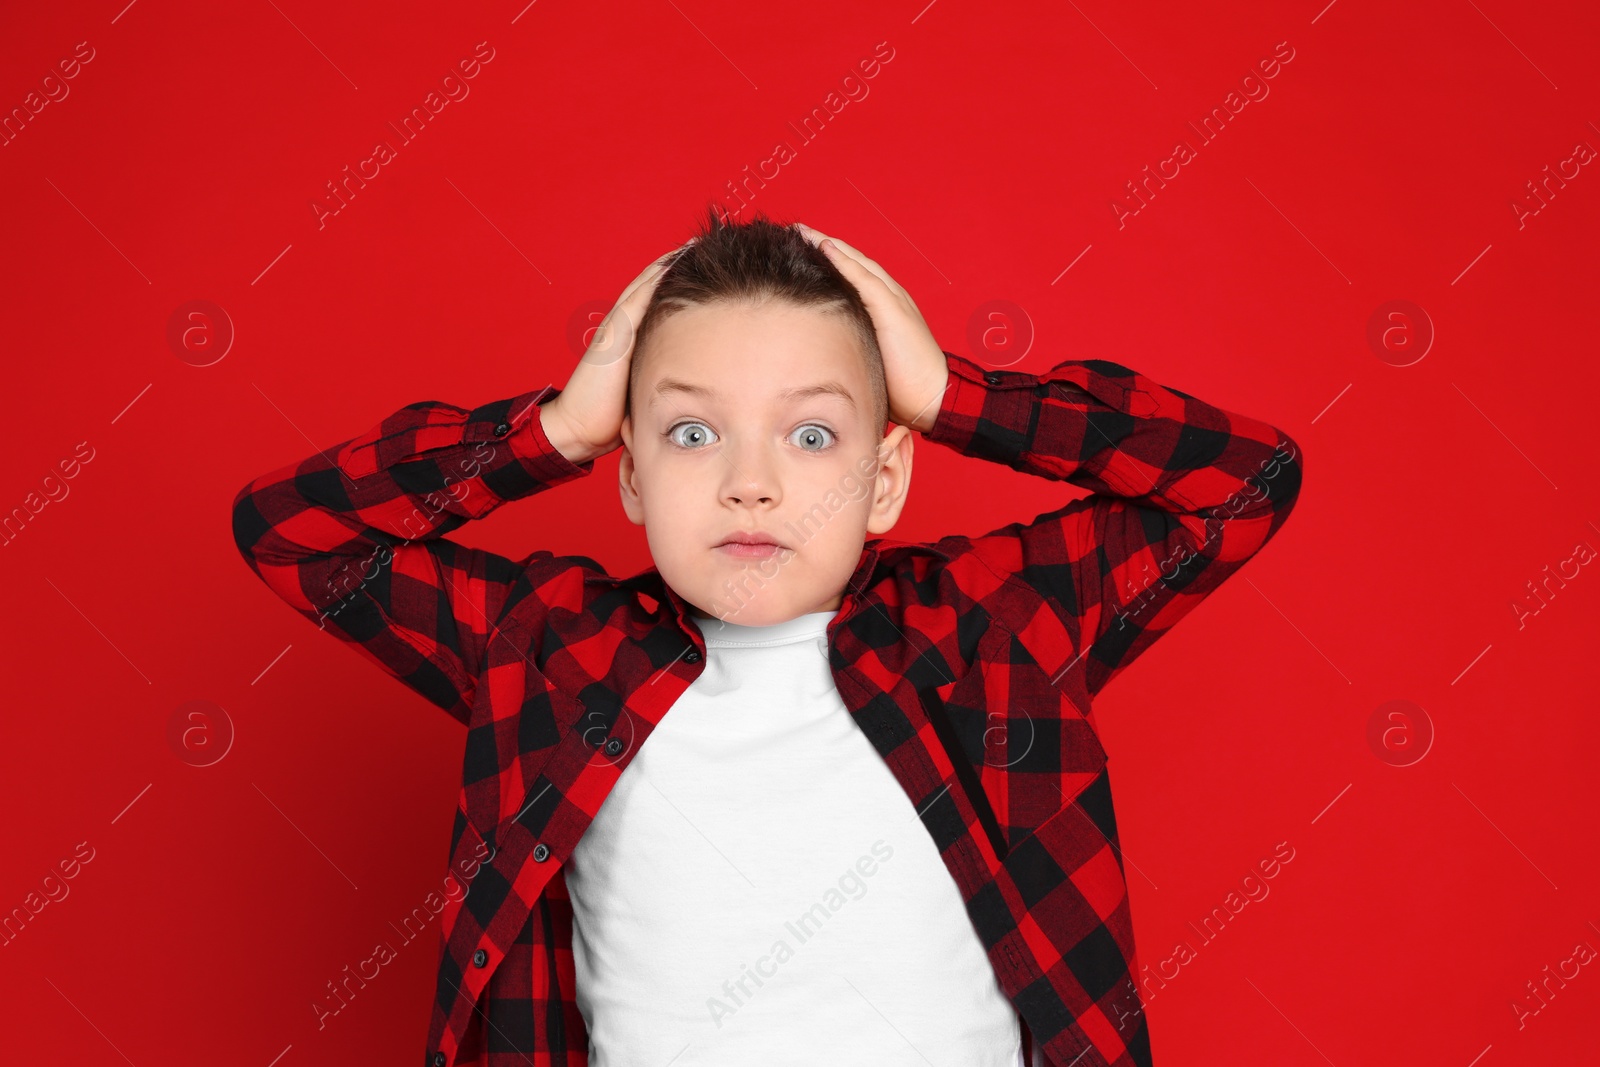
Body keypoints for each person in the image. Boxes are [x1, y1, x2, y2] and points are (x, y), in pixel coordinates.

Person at [231, 206, 1304, 1067]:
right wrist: (553, 424)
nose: (752, 481)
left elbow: (1246, 483)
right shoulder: (552, 646)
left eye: (811, 433)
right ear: (631, 471)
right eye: (693, 432)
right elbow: (291, 535)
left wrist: (956, 394)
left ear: (883, 478)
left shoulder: (990, 625)